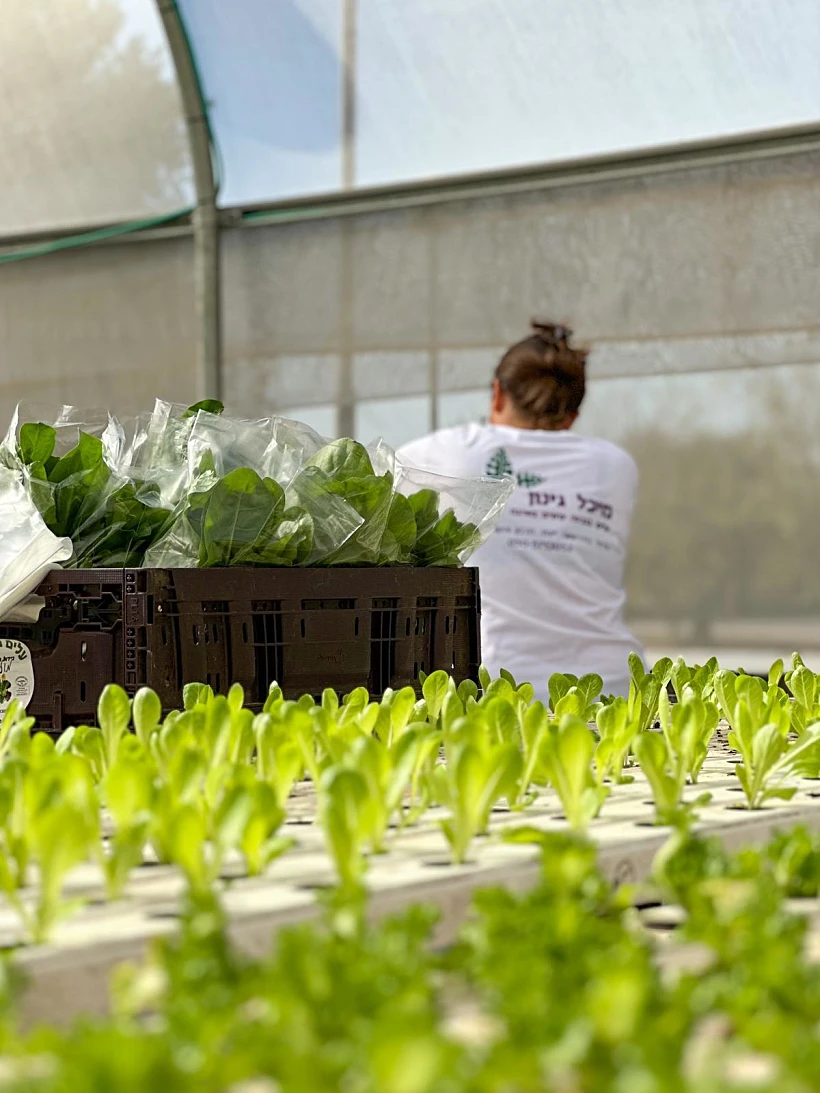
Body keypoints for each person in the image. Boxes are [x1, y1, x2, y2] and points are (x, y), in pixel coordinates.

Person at [397, 321, 644, 700]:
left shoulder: (440, 453)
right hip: (611, 691)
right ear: (572, 416)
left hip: (497, 691)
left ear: (497, 394)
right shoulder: (616, 466)